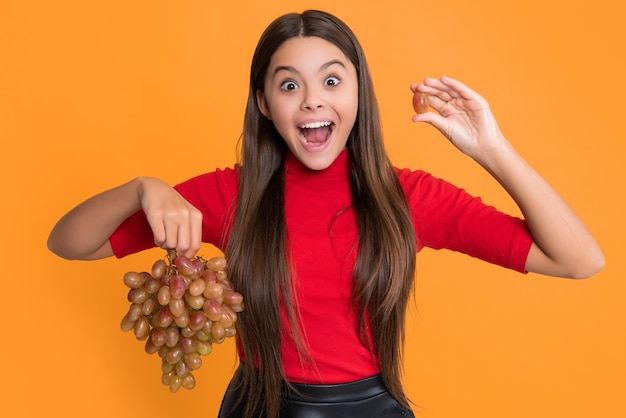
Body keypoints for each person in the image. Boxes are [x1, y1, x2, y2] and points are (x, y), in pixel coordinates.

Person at [47, 9, 604, 418]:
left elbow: (578, 259)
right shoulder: (230, 196)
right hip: (256, 409)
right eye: (290, 85)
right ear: (265, 104)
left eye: (332, 80)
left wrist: (492, 148)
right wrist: (142, 187)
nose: (312, 99)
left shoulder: (409, 199)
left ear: (359, 91)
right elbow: (68, 242)